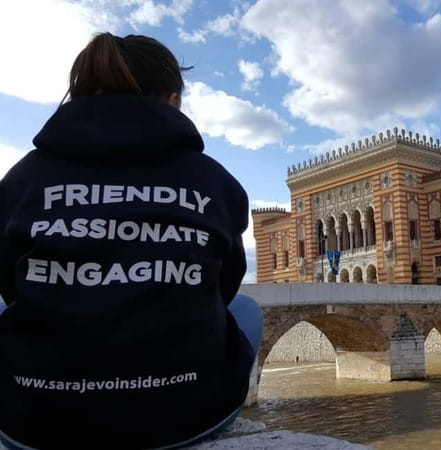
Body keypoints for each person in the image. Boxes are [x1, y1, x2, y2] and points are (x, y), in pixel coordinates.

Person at [0, 33, 262, 449]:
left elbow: (10, 285)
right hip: (182, 417)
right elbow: (224, 284)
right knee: (246, 308)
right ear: (173, 101)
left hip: (36, 422)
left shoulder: (22, 178)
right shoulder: (213, 180)